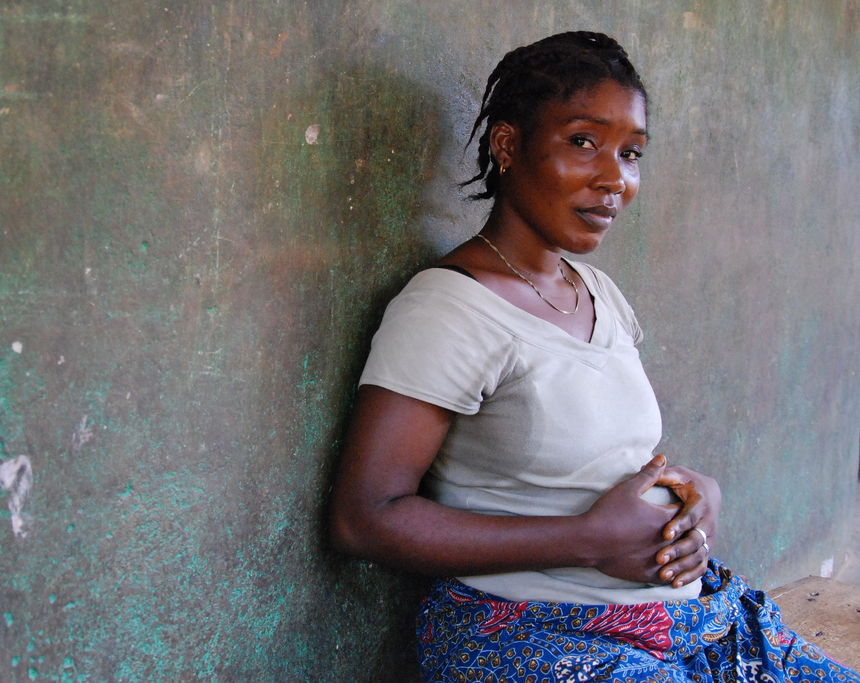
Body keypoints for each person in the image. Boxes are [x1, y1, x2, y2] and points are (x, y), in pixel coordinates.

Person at [329, 31, 860, 682]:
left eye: (631, 152)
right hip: (536, 637)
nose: (615, 179)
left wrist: (701, 496)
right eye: (584, 141)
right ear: (508, 145)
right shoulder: (449, 308)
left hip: (689, 624)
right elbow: (364, 518)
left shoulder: (596, 293)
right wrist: (588, 538)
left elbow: (610, 455)